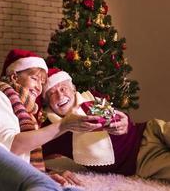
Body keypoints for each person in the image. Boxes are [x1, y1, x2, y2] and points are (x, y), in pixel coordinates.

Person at [0, 49, 97, 191]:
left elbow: (21, 159)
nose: (39, 87)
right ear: (14, 77)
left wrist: (45, 174)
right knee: (43, 184)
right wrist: (63, 125)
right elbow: (12, 146)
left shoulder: (29, 115)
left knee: (47, 183)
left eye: (41, 82)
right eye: (34, 79)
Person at [41, 68, 170, 182]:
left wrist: (126, 123)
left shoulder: (91, 98)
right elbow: (27, 160)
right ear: (48, 103)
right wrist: (53, 173)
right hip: (142, 159)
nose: (60, 95)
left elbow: (118, 118)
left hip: (148, 130)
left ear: (73, 89)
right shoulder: (53, 129)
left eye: (63, 88)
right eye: (52, 93)